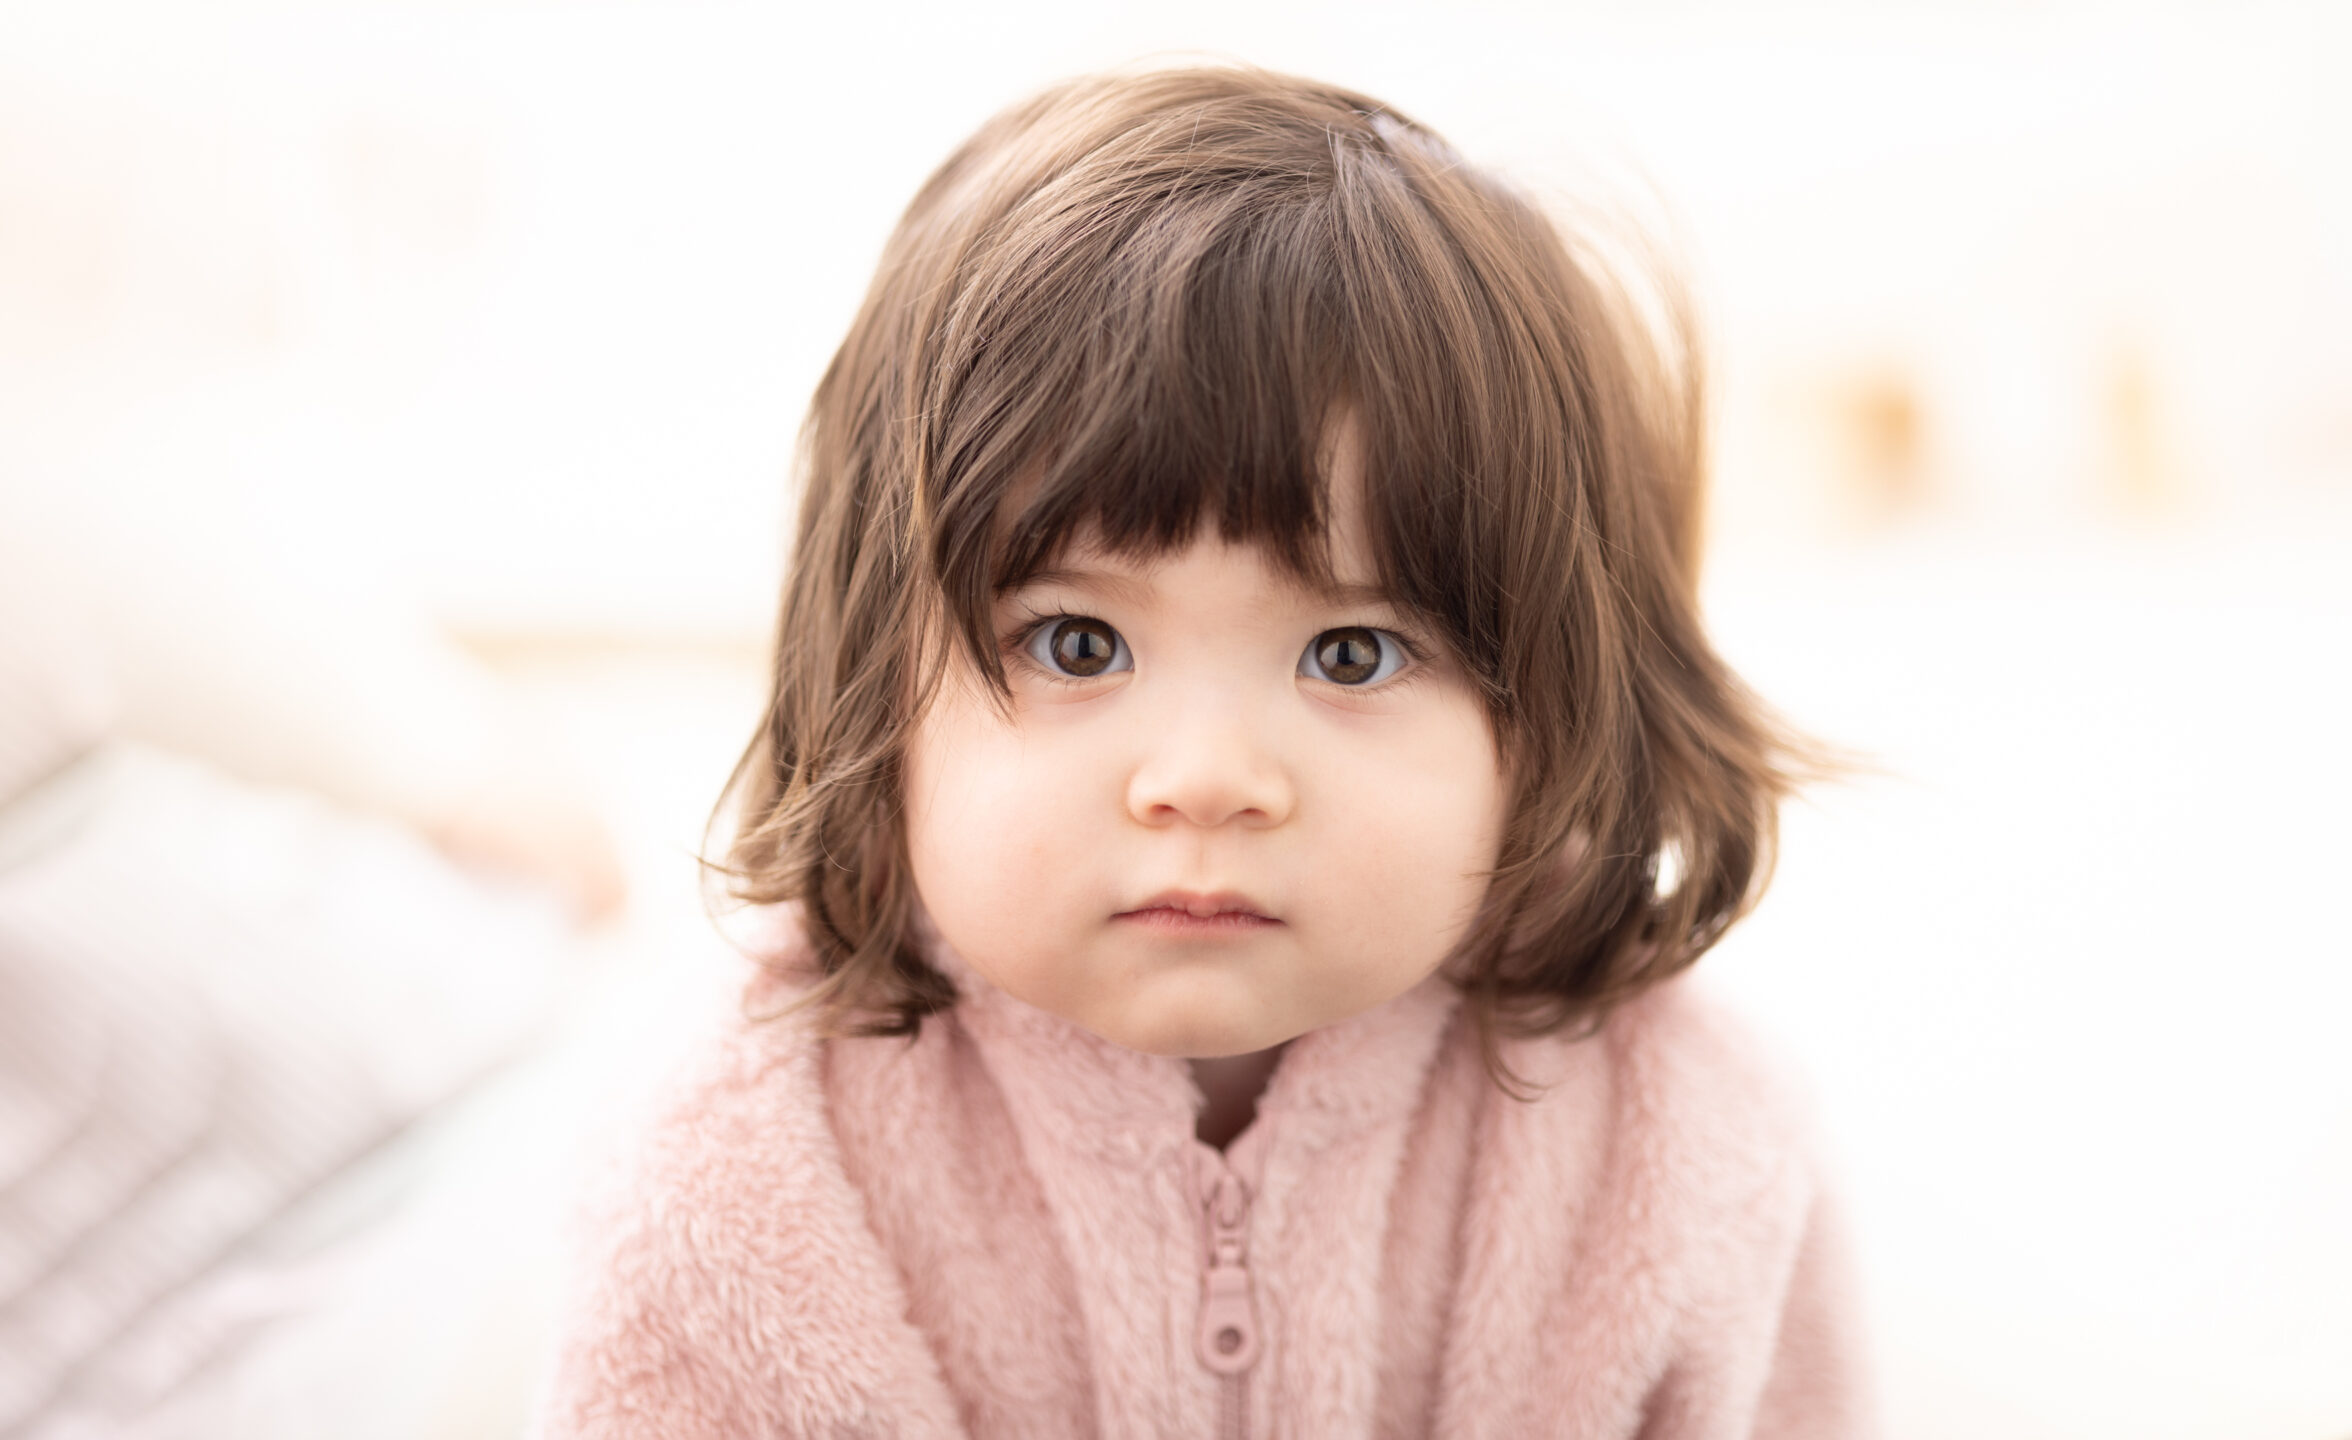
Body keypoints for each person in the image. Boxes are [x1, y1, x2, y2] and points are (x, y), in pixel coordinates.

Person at [542, 64, 1872, 1439]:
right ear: (874, 690)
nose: (1207, 777)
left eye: (1350, 654)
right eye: (1076, 645)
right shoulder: (745, 1164)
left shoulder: (1684, 1143)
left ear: (1547, 713)